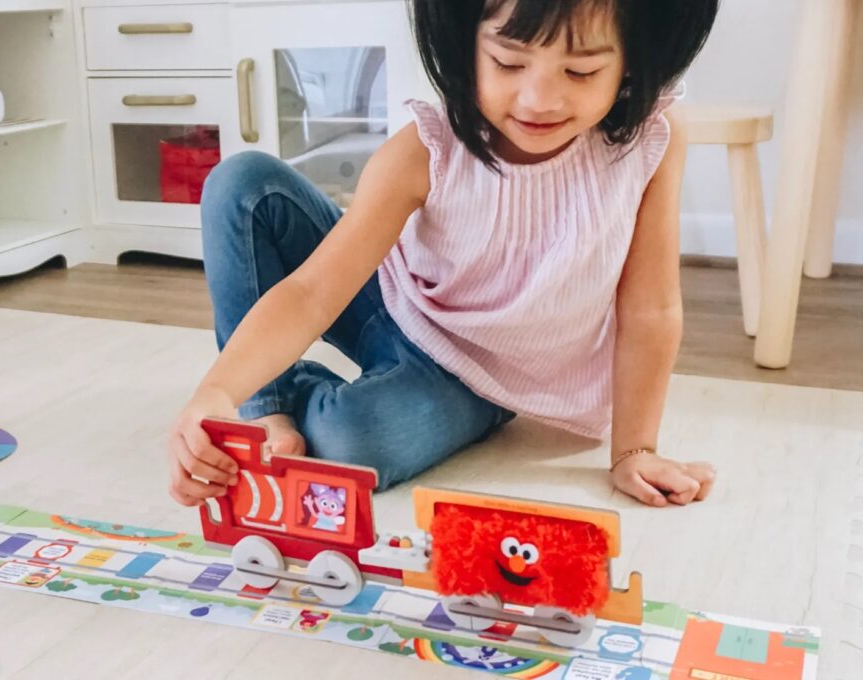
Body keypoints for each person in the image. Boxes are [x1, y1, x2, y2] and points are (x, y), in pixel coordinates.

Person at [168, 0, 720, 509]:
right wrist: (216, 391)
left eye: (581, 72)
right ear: (465, 44)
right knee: (243, 184)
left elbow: (651, 309)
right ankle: (263, 405)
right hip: (388, 298)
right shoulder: (424, 149)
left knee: (351, 441)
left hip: (471, 373)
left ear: (630, 63)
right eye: (507, 63)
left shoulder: (649, 143)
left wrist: (635, 450)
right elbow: (313, 293)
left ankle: (297, 385)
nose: (539, 100)